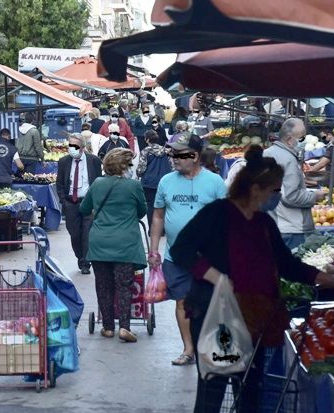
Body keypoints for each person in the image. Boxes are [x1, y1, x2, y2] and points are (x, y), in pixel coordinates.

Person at [169, 147, 334, 413]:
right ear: (256, 189)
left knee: (250, 389)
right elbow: (181, 250)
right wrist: (215, 277)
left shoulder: (264, 223)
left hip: (255, 317)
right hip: (216, 314)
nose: (277, 196)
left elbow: (288, 265)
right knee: (214, 388)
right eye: (274, 190)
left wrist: (333, 279)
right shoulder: (217, 214)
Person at [149, 132, 227, 366]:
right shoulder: (166, 181)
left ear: (195, 156)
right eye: (173, 153)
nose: (174, 158)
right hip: (176, 257)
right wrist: (154, 250)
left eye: (180, 153)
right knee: (182, 301)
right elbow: (158, 217)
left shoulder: (215, 182)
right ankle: (188, 349)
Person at [80, 147, 147, 342]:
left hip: (100, 241)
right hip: (125, 243)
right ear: (124, 166)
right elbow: (142, 211)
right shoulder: (133, 186)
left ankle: (108, 327)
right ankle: (124, 327)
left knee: (103, 285)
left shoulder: (97, 184)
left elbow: (84, 209)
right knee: (124, 285)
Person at [263, 118, 326, 250]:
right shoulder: (288, 160)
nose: (303, 142)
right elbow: (290, 196)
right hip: (291, 228)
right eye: (302, 138)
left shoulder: (267, 154)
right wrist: (315, 196)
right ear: (291, 140)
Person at [56, 133, 103, 275]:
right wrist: (63, 199)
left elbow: (99, 181)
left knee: (87, 233)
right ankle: (80, 256)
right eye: (70, 145)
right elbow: (59, 183)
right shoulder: (64, 161)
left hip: (88, 202)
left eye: (75, 145)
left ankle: (85, 262)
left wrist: (96, 202)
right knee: (75, 234)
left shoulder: (93, 161)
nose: (72, 148)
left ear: (82, 147)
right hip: (71, 203)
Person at [136, 130, 173, 228]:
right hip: (165, 182)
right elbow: (172, 166)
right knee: (164, 205)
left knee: (151, 206)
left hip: (149, 183)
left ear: (147, 139)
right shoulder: (166, 151)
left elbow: (141, 169)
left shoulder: (145, 151)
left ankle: (152, 229)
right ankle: (163, 229)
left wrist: (138, 174)